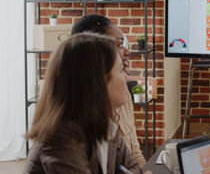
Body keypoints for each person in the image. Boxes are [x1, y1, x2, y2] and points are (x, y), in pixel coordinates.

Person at [24, 34, 151, 174]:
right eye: (121, 70)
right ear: (98, 82)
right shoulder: (61, 137)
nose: (127, 77)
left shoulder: (106, 126)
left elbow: (133, 168)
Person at [71, 14, 146, 167]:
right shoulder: (72, 131)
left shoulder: (121, 98)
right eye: (119, 45)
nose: (127, 52)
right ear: (94, 54)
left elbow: (134, 156)